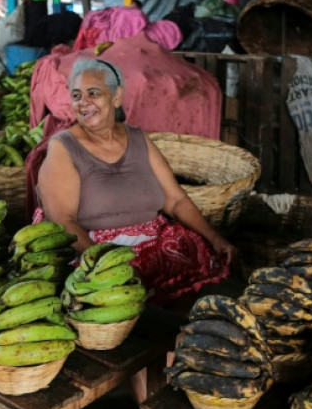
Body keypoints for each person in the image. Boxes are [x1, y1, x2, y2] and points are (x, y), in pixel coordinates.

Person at [36, 58, 235, 305]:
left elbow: (175, 200)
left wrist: (215, 238)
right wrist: (110, 266)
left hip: (156, 251)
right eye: (76, 95)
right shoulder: (64, 147)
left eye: (93, 93)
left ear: (116, 97)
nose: (83, 102)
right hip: (94, 255)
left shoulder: (138, 139)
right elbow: (62, 221)